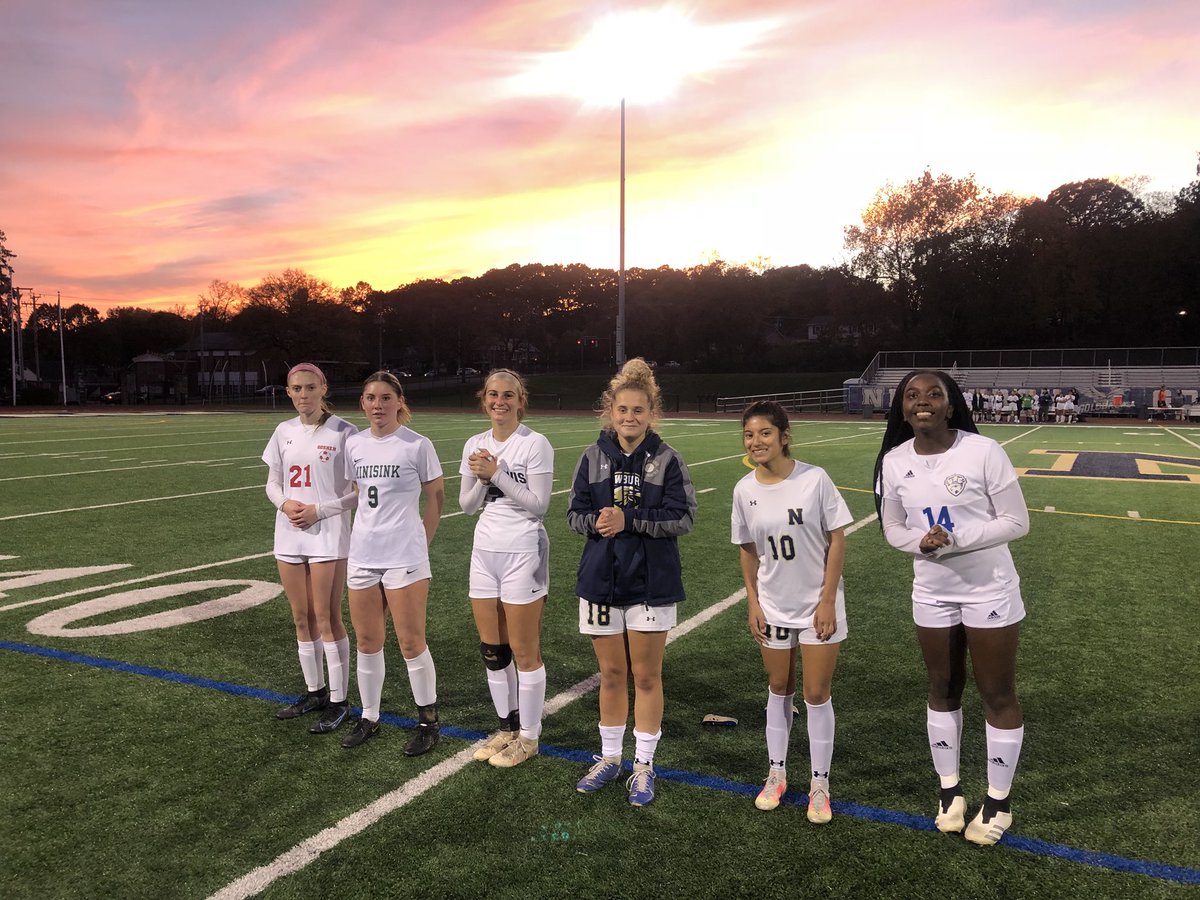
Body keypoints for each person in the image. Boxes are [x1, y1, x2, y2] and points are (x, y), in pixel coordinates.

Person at [872, 369, 1030, 846]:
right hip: (932, 591)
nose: (923, 402)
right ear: (902, 408)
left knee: (996, 691)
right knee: (941, 686)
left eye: (934, 394)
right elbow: (893, 527)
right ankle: (950, 792)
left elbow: (1016, 521)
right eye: (912, 396)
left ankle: (998, 801)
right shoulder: (894, 461)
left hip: (989, 589)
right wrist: (921, 543)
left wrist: (956, 540)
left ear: (951, 404)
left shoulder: (983, 452)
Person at [568, 358, 697, 807]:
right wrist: (595, 522)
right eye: (622, 410)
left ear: (651, 413)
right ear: (610, 412)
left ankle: (643, 764)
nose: (629, 418)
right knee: (610, 674)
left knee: (646, 675)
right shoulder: (591, 457)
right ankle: (609, 757)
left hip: (650, 582)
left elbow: (683, 517)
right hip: (601, 580)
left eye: (638, 411)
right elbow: (573, 514)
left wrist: (630, 519)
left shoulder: (667, 459)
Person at [732, 401, 852, 822]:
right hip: (774, 605)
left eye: (765, 433)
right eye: (749, 434)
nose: (756, 441)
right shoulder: (744, 490)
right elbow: (748, 549)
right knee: (779, 685)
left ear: (784, 436)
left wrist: (826, 600)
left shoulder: (814, 479)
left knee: (816, 693)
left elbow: (837, 540)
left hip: (818, 606)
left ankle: (820, 782)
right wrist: (753, 601)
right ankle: (777, 773)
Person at [340, 371, 445, 752]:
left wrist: (421, 544)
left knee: (410, 641)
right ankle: (370, 716)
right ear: (363, 403)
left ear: (399, 401)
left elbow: (436, 498)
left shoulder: (416, 445)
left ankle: (428, 721)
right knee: (367, 641)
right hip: (364, 554)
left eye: (385, 397)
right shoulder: (355, 444)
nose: (377, 405)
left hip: (405, 555)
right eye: (370, 398)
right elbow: (358, 494)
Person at [459, 369, 554, 768]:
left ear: (520, 400)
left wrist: (496, 473)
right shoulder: (475, 443)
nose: (500, 401)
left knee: (524, 650)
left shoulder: (535, 443)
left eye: (509, 395)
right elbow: (465, 506)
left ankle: (529, 737)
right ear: (485, 400)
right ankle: (507, 728)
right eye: (493, 395)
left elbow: (540, 504)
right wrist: (483, 479)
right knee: (493, 651)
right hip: (485, 549)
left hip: (522, 549)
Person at [262, 363, 358, 733]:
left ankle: (339, 701)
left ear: (323, 388)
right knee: (301, 617)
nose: (303, 395)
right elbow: (273, 482)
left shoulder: (345, 433)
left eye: (310, 388)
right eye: (296, 389)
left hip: (328, 534)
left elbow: (355, 493)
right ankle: (314, 691)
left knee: (327, 617)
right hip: (289, 532)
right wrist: (285, 504)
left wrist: (320, 511)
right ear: (288, 392)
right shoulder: (283, 430)